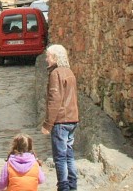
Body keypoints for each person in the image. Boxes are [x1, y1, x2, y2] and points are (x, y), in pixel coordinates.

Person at [40, 44, 79, 191]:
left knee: (60, 158)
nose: (46, 59)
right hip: (72, 119)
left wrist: (47, 124)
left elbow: (54, 100)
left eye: (48, 56)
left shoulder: (55, 73)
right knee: (69, 155)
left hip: (61, 121)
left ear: (55, 58)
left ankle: (63, 187)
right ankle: (72, 186)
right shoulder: (69, 72)